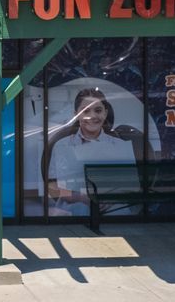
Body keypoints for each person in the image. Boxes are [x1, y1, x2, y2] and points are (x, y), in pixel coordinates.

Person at [45, 86, 137, 216]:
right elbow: (53, 187)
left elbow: (130, 187)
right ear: (76, 115)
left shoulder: (119, 145)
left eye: (98, 110)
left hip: (114, 210)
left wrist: (111, 199)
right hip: (74, 211)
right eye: (85, 111)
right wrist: (82, 198)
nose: (92, 116)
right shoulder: (62, 145)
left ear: (105, 113)